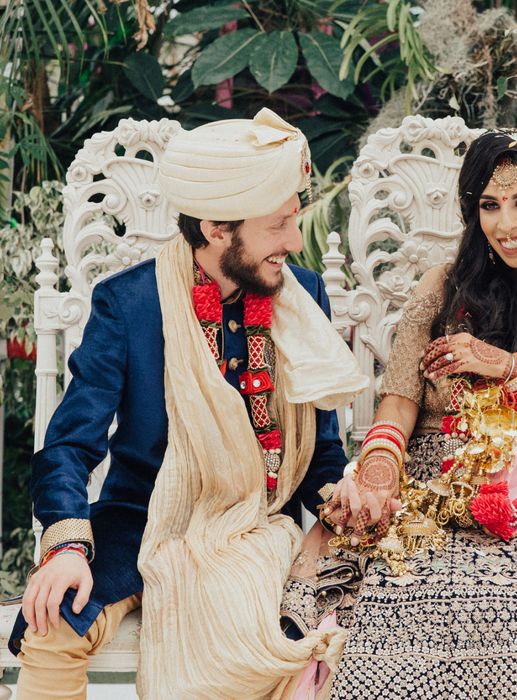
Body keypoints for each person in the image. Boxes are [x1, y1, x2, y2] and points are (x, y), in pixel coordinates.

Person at [283, 129, 517, 699]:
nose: (506, 223)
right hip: (420, 497)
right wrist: (377, 475)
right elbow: (400, 399)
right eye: (490, 205)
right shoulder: (443, 287)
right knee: (422, 601)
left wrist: (510, 373)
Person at [9, 108, 368, 699]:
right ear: (216, 228)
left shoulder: (302, 295)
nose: (293, 241)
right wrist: (68, 547)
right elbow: (70, 445)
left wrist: (340, 496)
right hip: (141, 519)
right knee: (52, 625)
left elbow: (318, 451)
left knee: (328, 635)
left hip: (255, 526)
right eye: (278, 225)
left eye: (294, 220)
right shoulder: (129, 303)